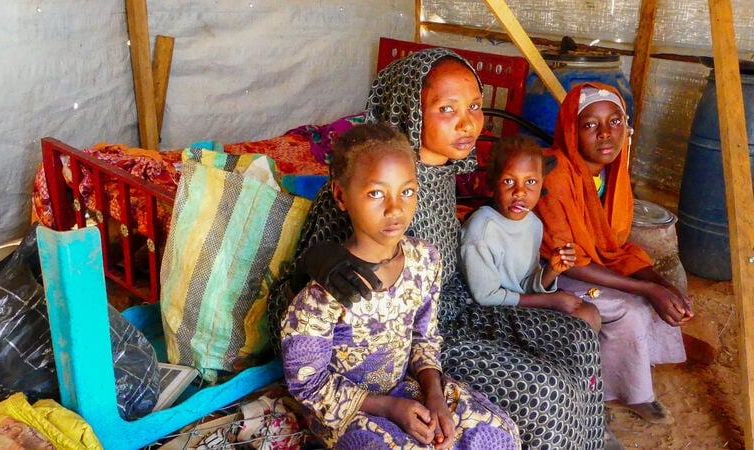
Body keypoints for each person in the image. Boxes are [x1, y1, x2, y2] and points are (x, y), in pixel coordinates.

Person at [269, 47, 605, 449]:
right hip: (418, 336)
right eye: (447, 109)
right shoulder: (372, 178)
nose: (468, 122)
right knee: (545, 391)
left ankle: (589, 440)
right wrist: (316, 260)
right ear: (411, 110)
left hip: (455, 308)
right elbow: (297, 300)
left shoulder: (441, 173)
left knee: (577, 337)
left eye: (475, 106)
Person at [281, 123, 520, 449]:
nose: (395, 209)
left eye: (407, 191)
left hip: (406, 390)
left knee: (498, 435)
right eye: (375, 193)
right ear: (340, 195)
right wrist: (389, 408)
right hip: (348, 410)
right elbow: (309, 385)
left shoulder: (424, 260)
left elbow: (425, 337)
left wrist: (434, 394)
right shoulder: (325, 293)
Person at [535, 82, 694, 424]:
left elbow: (613, 249)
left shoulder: (611, 174)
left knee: (661, 295)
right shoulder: (555, 175)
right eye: (590, 124)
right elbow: (567, 260)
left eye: (615, 121)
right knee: (630, 308)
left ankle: (632, 388)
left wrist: (661, 284)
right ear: (571, 130)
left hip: (589, 266)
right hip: (548, 273)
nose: (605, 134)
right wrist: (646, 288)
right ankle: (606, 397)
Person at [459, 135, 601, 332]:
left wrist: (551, 271)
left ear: (542, 184)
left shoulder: (533, 224)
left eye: (531, 181)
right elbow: (486, 296)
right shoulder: (480, 232)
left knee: (588, 313)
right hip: (486, 314)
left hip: (519, 305)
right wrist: (549, 300)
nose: (520, 192)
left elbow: (525, 285)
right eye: (509, 181)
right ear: (493, 184)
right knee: (577, 326)